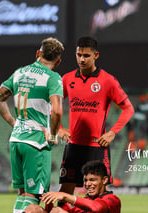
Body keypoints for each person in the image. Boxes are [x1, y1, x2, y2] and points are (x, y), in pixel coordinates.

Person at [0, 37, 64, 213]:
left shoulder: (19, 72)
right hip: (36, 142)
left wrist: (13, 121)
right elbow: (57, 111)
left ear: (37, 54)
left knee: (22, 193)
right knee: (33, 195)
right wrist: (53, 135)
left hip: (16, 139)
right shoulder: (53, 77)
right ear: (58, 62)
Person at [58, 36, 134, 195]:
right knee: (65, 190)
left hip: (96, 147)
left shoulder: (108, 81)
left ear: (96, 55)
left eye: (86, 55)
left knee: (100, 192)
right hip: (73, 145)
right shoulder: (67, 79)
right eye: (79, 55)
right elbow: (52, 105)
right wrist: (59, 129)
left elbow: (128, 108)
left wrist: (112, 132)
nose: (82, 59)